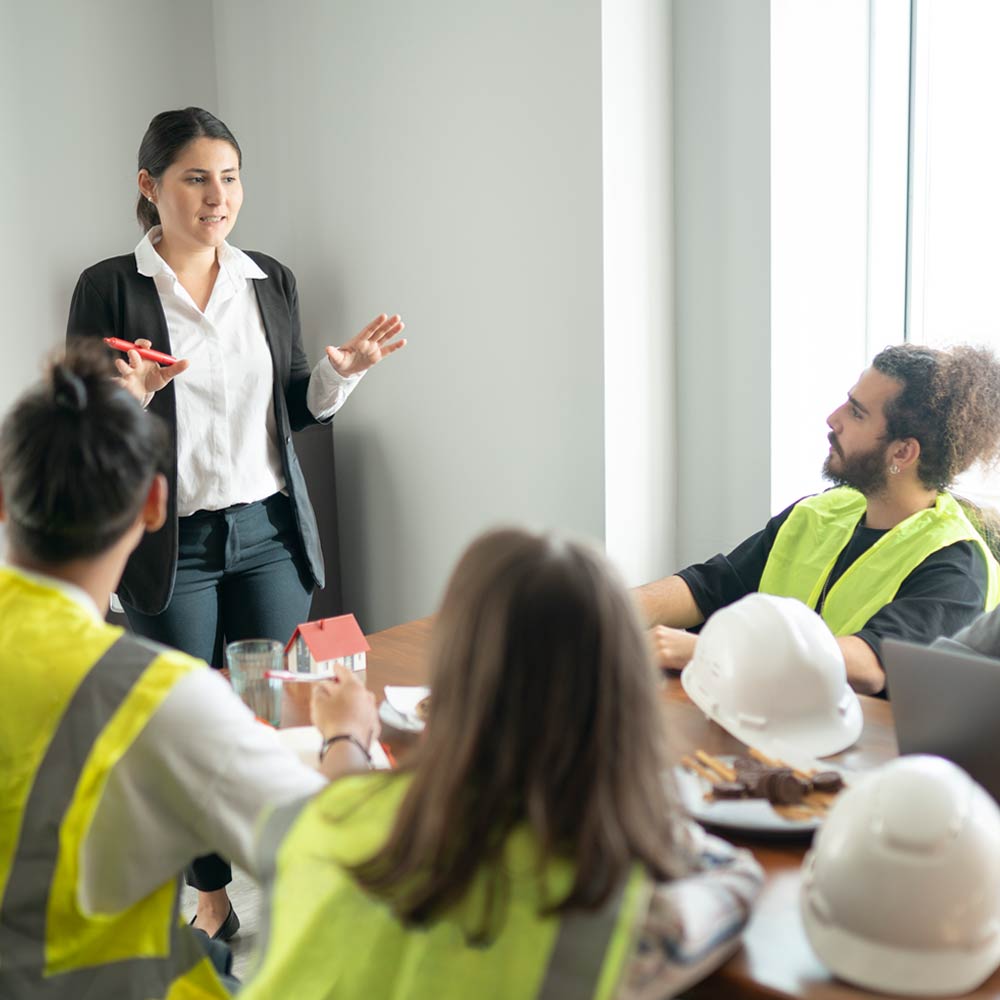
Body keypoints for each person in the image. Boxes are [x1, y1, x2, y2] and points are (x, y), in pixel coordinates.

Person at [65, 106, 405, 937]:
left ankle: (294, 879)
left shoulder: (269, 280)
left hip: (267, 536)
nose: (218, 196)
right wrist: (129, 399)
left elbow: (293, 409)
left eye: (230, 177)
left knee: (276, 716)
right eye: (195, 178)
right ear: (150, 187)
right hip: (169, 548)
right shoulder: (109, 287)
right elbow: (80, 423)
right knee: (187, 730)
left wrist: (341, 374)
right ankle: (210, 892)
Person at [0, 345, 379, 997]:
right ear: (154, 506)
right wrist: (345, 734)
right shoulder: (156, 695)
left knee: (206, 951)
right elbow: (334, 849)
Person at [242, 528, 763, 1000]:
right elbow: (738, 883)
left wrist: (346, 737)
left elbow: (341, 804)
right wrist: (643, 805)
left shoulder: (301, 824)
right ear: (622, 702)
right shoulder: (617, 919)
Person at [637, 343, 1000, 696]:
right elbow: (711, 588)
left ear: (903, 452)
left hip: (863, 751)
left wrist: (712, 651)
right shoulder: (820, 512)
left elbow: (870, 664)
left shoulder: (956, 565)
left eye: (857, 413)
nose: (833, 419)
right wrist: (611, 609)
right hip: (772, 725)